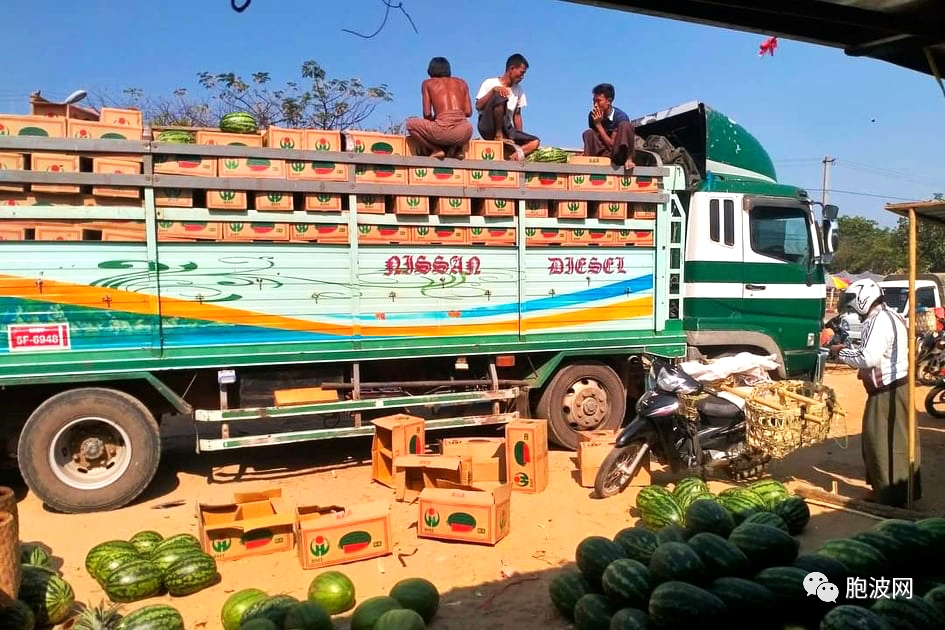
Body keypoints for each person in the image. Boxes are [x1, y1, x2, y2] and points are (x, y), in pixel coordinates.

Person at [830, 278, 921, 508]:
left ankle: (892, 497)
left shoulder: (877, 321)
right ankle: (887, 490)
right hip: (894, 388)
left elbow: (868, 357)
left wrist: (840, 352)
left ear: (863, 298)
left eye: (852, 301)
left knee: (885, 443)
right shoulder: (889, 315)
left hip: (889, 392)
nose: (851, 307)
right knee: (880, 441)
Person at [404, 57, 474, 159]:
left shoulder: (428, 83)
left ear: (430, 71)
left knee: (410, 124)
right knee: (466, 125)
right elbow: (468, 112)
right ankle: (458, 150)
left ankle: (436, 150)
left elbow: (427, 114)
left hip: (442, 132)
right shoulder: (462, 83)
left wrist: (439, 121)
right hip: (464, 133)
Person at [475, 53, 540, 157]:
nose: (522, 77)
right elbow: (478, 106)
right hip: (488, 125)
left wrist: (519, 137)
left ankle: (512, 157)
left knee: (535, 142)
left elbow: (517, 115)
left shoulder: (519, 89)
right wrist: (493, 91)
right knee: (500, 94)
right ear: (512, 68)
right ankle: (498, 135)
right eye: (521, 73)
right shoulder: (489, 83)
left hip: (507, 127)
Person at [582, 83, 635, 168]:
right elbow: (594, 140)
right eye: (594, 101)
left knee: (626, 125)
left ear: (608, 101)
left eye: (598, 101)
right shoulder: (593, 116)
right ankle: (589, 164)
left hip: (617, 154)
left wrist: (598, 125)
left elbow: (612, 146)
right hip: (602, 154)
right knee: (588, 133)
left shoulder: (620, 117)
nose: (595, 105)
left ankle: (629, 159)